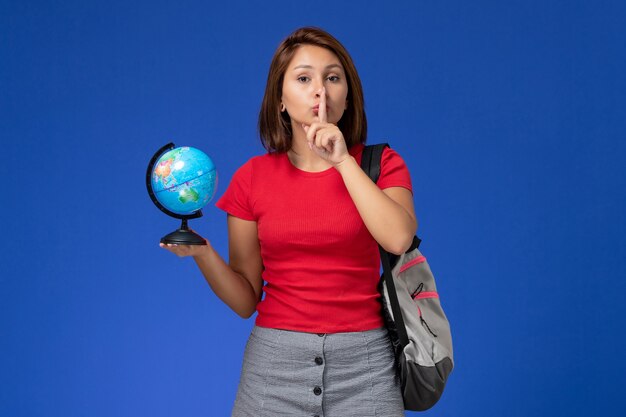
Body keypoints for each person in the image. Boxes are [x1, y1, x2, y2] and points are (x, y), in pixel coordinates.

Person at [160, 26, 417, 417]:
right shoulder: (251, 178)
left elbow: (398, 238)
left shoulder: (382, 165)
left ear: (347, 97)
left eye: (333, 78)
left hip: (365, 368)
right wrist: (203, 254)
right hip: (273, 369)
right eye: (303, 78)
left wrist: (343, 161)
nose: (320, 90)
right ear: (280, 99)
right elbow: (247, 299)